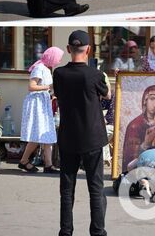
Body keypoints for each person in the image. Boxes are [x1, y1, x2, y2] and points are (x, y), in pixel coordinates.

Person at [53, 30, 110, 236]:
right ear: (88, 50)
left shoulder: (58, 74)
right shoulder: (95, 74)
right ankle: (98, 231)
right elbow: (107, 94)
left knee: (67, 191)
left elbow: (59, 94)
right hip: (92, 138)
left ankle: (66, 232)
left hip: (68, 137)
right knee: (96, 188)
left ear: (68, 49)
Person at [18, 46, 63, 174]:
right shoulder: (39, 68)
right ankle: (25, 161)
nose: (58, 61)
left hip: (43, 104)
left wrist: (52, 93)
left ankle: (47, 164)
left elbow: (45, 88)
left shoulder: (46, 69)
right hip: (37, 105)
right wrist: (48, 87)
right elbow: (31, 86)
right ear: (51, 57)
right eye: (58, 58)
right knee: (38, 134)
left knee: (46, 134)